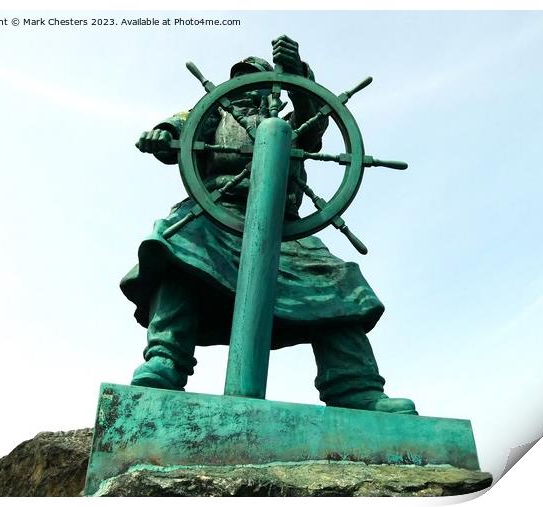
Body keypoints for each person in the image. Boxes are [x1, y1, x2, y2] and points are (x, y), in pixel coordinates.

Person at [122, 35, 417, 415]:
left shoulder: (291, 123)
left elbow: (314, 125)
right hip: (217, 214)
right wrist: (164, 133)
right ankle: (164, 361)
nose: (247, 88)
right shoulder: (214, 114)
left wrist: (297, 71)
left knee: (336, 282)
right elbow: (182, 126)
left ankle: (355, 388)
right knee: (175, 248)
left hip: (283, 228)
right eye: (241, 79)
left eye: (256, 79)